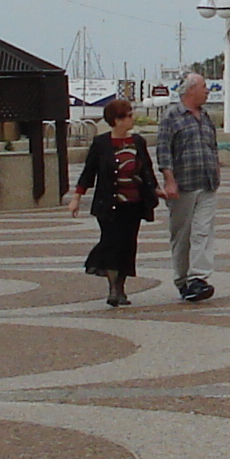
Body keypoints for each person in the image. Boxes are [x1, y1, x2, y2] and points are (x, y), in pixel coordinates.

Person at [64, 96, 159, 308]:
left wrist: (156, 191)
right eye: (129, 116)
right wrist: (76, 198)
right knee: (112, 242)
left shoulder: (138, 142)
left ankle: (121, 288)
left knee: (127, 245)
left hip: (133, 204)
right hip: (109, 204)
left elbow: (146, 171)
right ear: (117, 120)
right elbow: (89, 172)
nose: (132, 119)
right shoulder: (101, 143)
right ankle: (113, 288)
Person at [156, 70, 221, 304]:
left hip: (207, 183)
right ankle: (183, 280)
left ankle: (199, 278)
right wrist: (169, 180)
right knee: (182, 234)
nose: (207, 91)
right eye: (204, 87)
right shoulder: (172, 116)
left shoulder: (205, 117)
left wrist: (216, 168)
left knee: (203, 230)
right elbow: (163, 151)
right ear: (191, 89)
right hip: (184, 185)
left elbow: (212, 146)